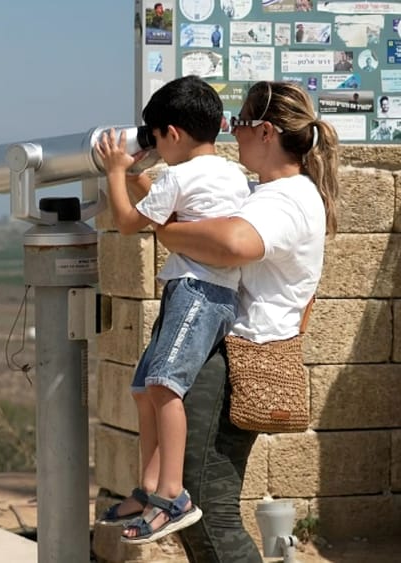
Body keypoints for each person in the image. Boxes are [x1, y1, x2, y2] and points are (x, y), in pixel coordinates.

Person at [156, 80, 340, 561]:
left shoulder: (287, 199)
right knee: (201, 509)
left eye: (236, 124)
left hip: (240, 358)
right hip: (234, 353)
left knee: (204, 509)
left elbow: (236, 242)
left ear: (264, 131)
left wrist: (165, 228)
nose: (229, 135)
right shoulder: (277, 191)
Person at [93, 75, 250, 545]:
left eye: (156, 137)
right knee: (145, 388)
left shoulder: (180, 176)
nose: (156, 146)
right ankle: (147, 490)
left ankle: (172, 494)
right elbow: (170, 210)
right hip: (205, 293)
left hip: (196, 291)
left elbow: (126, 223)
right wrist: (141, 176)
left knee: (163, 386)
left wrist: (115, 172)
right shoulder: (229, 174)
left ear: (172, 134)